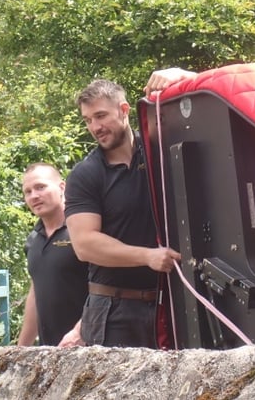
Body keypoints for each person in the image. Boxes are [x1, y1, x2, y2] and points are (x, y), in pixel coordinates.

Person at [61, 68, 194, 348]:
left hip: (174, 304)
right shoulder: (85, 174)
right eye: (88, 120)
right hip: (113, 311)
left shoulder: (158, 149)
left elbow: (209, 111)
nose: (95, 127)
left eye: (100, 116)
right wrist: (147, 256)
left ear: (124, 110)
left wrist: (183, 76)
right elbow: (85, 244)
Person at [17, 162, 89, 346]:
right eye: (28, 191)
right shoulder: (33, 240)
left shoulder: (83, 231)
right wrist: (20, 351)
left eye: (40, 187)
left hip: (89, 346)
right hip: (49, 352)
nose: (34, 196)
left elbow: (106, 288)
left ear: (62, 187)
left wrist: (80, 331)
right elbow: (36, 292)